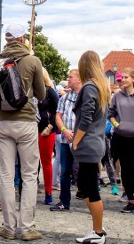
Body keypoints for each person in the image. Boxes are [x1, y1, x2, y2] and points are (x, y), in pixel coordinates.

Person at [0, 23, 46, 241]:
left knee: (7, 174)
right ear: (22, 39)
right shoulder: (32, 60)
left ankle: (8, 227)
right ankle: (26, 227)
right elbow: (41, 94)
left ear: (7, 38)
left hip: (3, 123)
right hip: (26, 121)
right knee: (29, 175)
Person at [71, 51, 110, 243]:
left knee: (90, 188)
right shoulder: (101, 87)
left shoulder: (89, 87)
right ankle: (97, 228)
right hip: (95, 142)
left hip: (88, 143)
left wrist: (76, 141)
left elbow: (86, 118)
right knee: (86, 187)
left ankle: (98, 232)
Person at [108, 67, 134, 215]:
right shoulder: (117, 96)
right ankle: (130, 200)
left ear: (133, 79)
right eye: (121, 77)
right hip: (121, 136)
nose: (122, 80)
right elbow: (111, 113)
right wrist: (117, 125)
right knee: (125, 168)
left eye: (125, 77)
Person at [51, 68, 81, 212]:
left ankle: (90, 199)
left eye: (70, 77)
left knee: (84, 170)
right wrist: (64, 130)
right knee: (65, 171)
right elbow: (58, 117)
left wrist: (77, 133)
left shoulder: (85, 97)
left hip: (82, 140)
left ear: (79, 79)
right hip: (65, 139)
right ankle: (64, 201)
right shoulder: (64, 98)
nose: (68, 80)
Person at [36, 68, 59, 205]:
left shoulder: (50, 91)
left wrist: (49, 128)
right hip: (32, 129)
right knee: (31, 163)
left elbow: (56, 111)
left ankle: (48, 192)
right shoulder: (32, 92)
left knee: (46, 162)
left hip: (46, 130)